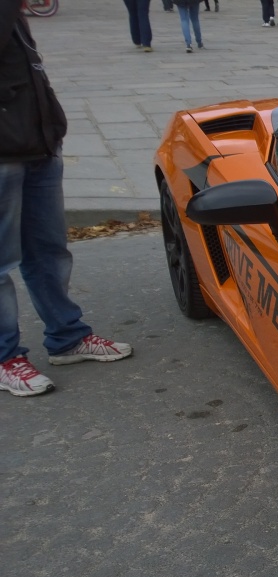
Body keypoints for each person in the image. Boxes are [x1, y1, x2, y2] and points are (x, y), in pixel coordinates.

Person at [1, 6, 133, 397]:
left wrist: (52, 127)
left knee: (48, 250)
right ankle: (6, 357)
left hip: (37, 142)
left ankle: (67, 336)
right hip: (5, 151)